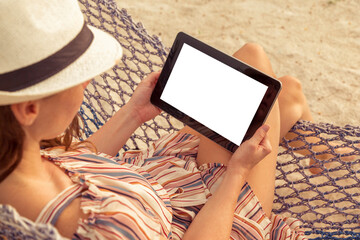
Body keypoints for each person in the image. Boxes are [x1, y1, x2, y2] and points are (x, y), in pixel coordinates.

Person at [0, 0, 314, 239]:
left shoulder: (14, 159)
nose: (88, 81)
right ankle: (320, 154)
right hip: (217, 217)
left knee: (278, 88)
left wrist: (134, 113)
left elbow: (77, 163)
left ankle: (313, 141)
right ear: (28, 109)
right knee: (258, 66)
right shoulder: (94, 224)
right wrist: (237, 172)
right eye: (77, 76)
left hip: (171, 180)